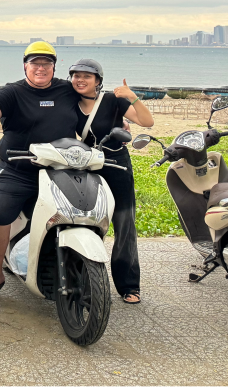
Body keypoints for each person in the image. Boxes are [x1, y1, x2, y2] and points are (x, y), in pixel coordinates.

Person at [0, 41, 81, 304]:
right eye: (35, 63)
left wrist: (118, 117)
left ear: (55, 67)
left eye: (46, 63)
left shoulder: (67, 90)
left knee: (76, 214)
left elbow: (91, 108)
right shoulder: (13, 92)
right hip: (17, 168)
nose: (41, 68)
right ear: (25, 66)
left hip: (59, 170)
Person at [70, 59, 154, 305]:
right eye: (76, 76)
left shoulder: (113, 101)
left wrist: (133, 97)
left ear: (98, 80)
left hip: (116, 166)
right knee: (85, 224)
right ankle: (84, 280)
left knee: (124, 224)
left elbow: (146, 122)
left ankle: (128, 284)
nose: (80, 80)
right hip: (86, 167)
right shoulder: (68, 102)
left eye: (87, 76)